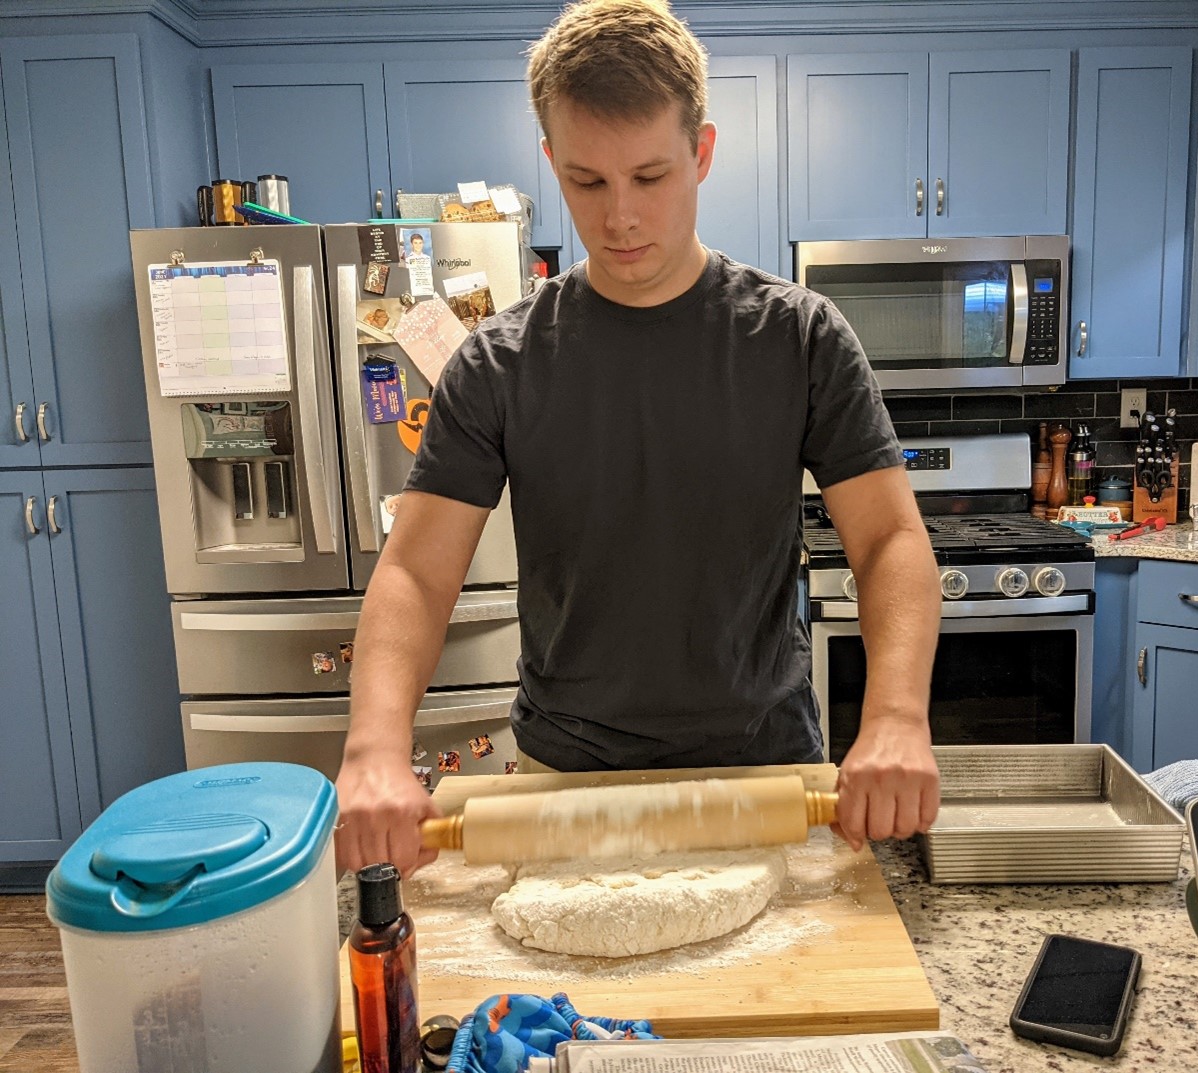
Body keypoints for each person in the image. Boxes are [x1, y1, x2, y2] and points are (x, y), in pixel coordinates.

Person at [334, 0, 941, 879]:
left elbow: (888, 540)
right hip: (562, 781)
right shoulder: (498, 364)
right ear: (551, 161)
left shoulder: (799, 338)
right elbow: (416, 572)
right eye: (587, 182)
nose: (619, 216)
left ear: (701, 153)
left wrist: (895, 714)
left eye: (650, 177)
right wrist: (373, 747)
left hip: (766, 776)